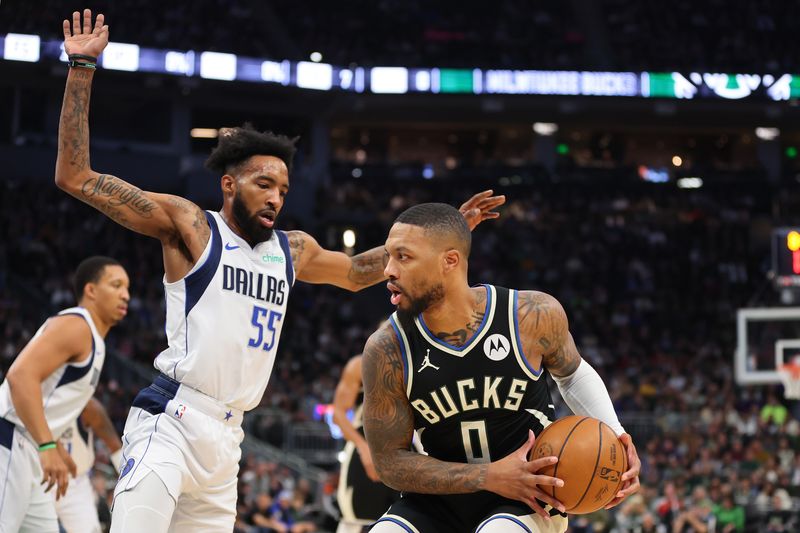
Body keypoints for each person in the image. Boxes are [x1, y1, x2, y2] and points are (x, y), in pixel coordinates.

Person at [55, 10, 504, 531]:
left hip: (228, 440)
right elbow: (76, 176)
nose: (275, 198)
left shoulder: (291, 250)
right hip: (171, 420)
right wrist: (82, 68)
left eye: (283, 190)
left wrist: (444, 231)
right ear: (229, 184)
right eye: (263, 184)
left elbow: (361, 272)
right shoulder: (192, 228)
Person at [361, 203, 642, 533]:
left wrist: (618, 435)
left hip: (530, 491)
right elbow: (389, 463)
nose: (388, 270)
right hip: (440, 497)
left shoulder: (529, 314)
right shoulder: (386, 349)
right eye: (389, 257)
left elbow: (572, 373)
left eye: (403, 257)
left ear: (449, 262)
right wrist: (487, 476)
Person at [0, 256, 130, 533]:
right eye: (116, 285)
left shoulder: (95, 340)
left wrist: (53, 445)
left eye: (127, 288)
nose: (125, 295)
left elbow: (48, 398)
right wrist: (48, 445)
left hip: (31, 448)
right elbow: (20, 377)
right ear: (91, 291)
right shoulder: (78, 326)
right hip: (10, 439)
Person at [333, 354, 398, 533]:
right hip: (366, 442)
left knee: (405, 520)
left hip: (405, 446)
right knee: (357, 518)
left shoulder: (418, 360)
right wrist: (363, 449)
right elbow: (337, 414)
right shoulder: (360, 364)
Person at [56, 397, 124, 533]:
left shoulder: (87, 405)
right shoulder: (32, 395)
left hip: (75, 483)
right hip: (36, 476)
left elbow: (116, 447)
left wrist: (129, 477)